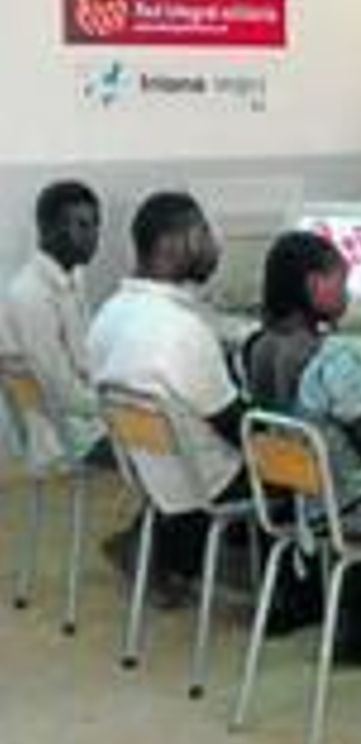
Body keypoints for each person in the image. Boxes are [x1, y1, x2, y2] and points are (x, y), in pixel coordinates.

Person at [88, 191, 248, 598]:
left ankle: (161, 550)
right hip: (206, 479)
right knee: (316, 464)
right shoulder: (182, 330)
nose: (214, 245)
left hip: (153, 470)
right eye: (204, 233)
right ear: (170, 245)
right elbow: (236, 425)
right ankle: (300, 597)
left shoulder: (110, 312)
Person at [242, 231, 361, 537]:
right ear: (314, 285)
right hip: (352, 511)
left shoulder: (258, 346)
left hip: (302, 502)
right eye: (342, 281)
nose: (347, 293)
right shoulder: (333, 358)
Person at [2, 180, 109, 465]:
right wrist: (115, 409)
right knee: (174, 450)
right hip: (70, 436)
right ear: (48, 229)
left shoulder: (72, 277)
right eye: (82, 226)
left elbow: (84, 360)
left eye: (96, 224)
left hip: (86, 419)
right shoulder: (30, 295)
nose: (93, 235)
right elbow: (60, 389)